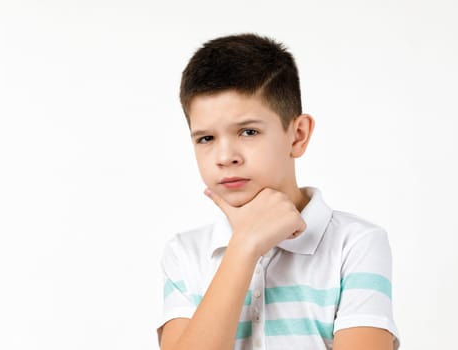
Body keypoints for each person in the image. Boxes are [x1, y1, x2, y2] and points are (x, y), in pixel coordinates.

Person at [157, 33, 399, 350]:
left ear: (297, 135)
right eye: (205, 139)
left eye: (248, 131)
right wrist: (244, 247)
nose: (225, 156)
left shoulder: (355, 244)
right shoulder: (185, 253)